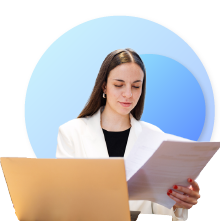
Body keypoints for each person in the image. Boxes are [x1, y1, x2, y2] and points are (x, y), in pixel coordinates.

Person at [56, 48, 200, 221]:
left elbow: (159, 208)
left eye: (136, 86)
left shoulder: (155, 137)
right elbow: (64, 201)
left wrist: (177, 204)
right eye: (119, 85)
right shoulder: (71, 133)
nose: (128, 94)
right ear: (104, 86)